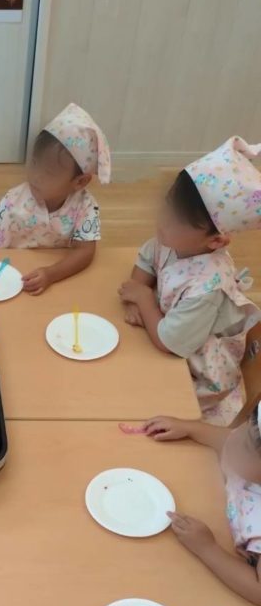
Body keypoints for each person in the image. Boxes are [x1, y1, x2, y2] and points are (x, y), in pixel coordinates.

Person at [119, 137, 261, 425]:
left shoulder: (208, 288)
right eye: (167, 206)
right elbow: (147, 258)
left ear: (215, 241)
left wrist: (143, 299)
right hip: (169, 332)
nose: (163, 221)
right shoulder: (174, 240)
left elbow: (170, 342)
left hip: (197, 371)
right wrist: (139, 290)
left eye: (177, 220)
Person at [0, 103, 110, 293]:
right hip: (6, 272)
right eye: (34, 164)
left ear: (80, 181)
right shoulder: (16, 197)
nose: (35, 176)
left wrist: (51, 274)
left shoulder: (85, 207)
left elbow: (85, 252)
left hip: (50, 274)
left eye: (48, 173)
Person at [140, 408, 261, 606]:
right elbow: (228, 440)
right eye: (246, 425)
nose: (235, 438)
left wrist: (207, 548)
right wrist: (190, 428)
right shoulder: (244, 450)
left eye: (246, 446)